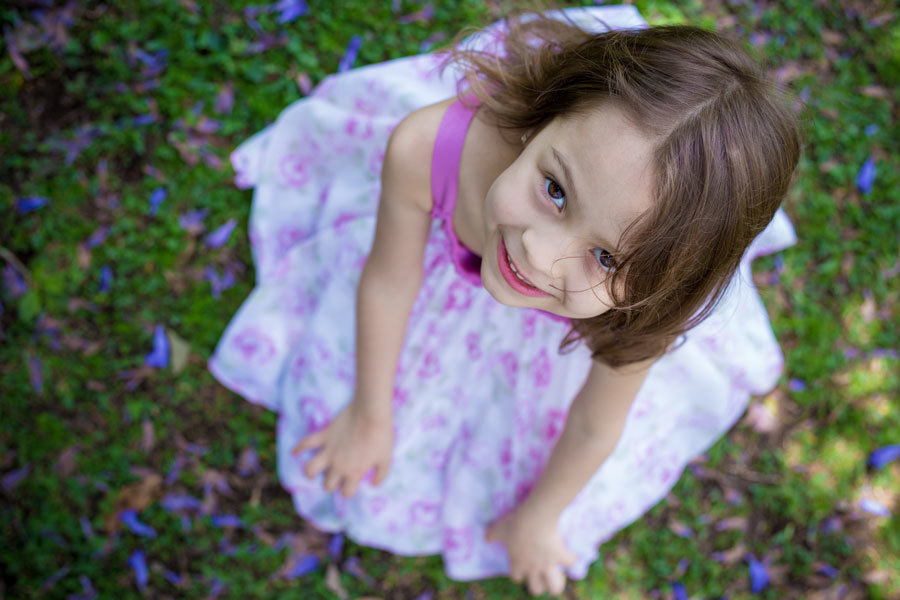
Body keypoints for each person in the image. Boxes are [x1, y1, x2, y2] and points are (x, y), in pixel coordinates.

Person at [209, 5, 800, 596]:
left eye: (607, 258)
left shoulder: (648, 305)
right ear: (545, 117)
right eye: (555, 189)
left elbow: (596, 424)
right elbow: (389, 281)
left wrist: (538, 517)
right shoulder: (427, 148)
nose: (541, 256)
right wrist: (370, 414)